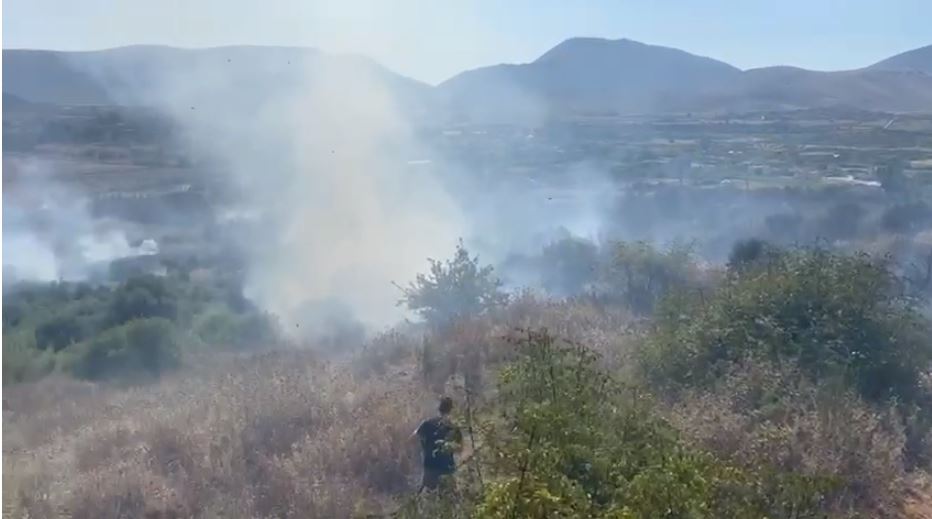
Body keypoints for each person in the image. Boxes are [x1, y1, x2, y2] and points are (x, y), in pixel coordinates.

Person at [412, 396, 462, 492]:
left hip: (430, 467)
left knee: (428, 499)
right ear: (451, 410)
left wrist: (423, 447)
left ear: (438, 409)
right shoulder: (454, 427)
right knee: (450, 500)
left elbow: (412, 439)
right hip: (447, 469)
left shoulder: (427, 423)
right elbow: (459, 449)